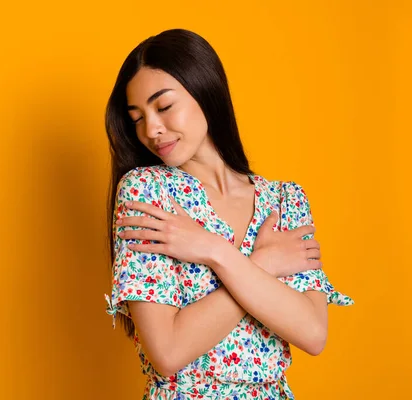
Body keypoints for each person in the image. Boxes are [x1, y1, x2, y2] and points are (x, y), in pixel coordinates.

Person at [103, 28, 353, 400]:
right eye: (137, 117)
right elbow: (168, 353)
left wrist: (213, 251)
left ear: (205, 90)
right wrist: (262, 263)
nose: (151, 129)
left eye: (164, 106)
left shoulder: (284, 200)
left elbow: (313, 333)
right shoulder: (148, 194)